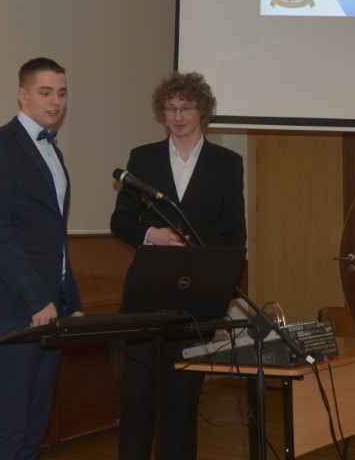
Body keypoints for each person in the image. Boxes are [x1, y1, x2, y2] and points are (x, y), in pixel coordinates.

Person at [110, 71, 247, 460]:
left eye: (186, 107)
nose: (178, 116)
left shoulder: (227, 163)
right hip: (146, 298)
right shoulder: (142, 158)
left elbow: (234, 236)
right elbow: (120, 221)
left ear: (202, 110)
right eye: (170, 109)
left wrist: (216, 289)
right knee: (136, 405)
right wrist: (150, 235)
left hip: (196, 304)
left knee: (181, 408)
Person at [0, 57, 83, 460]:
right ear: (22, 95)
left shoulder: (54, 153)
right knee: (9, 429)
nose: (56, 102)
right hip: (12, 308)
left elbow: (55, 239)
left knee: (33, 429)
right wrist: (37, 299)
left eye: (62, 93)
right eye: (45, 92)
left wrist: (71, 302)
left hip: (50, 310)